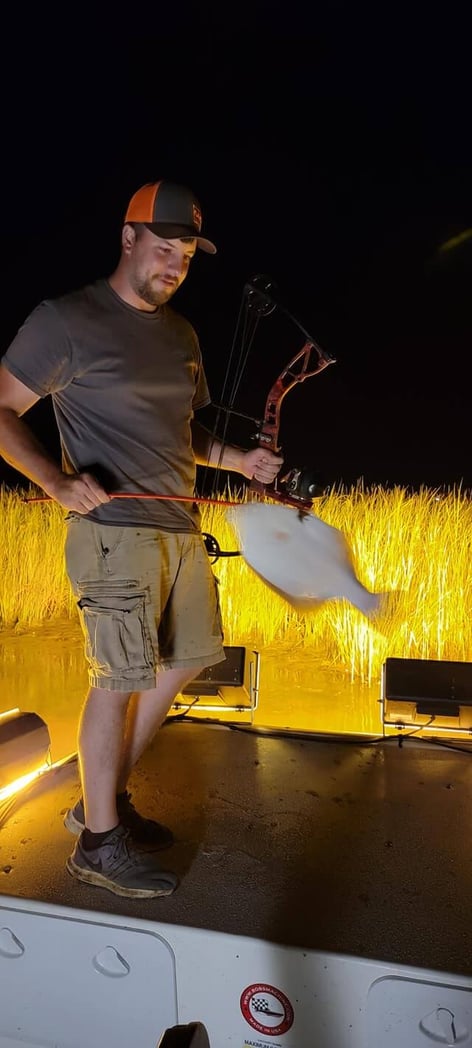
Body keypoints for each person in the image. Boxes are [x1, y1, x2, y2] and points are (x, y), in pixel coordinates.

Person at [0, 179, 283, 899]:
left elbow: (188, 436)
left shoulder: (182, 335)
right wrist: (54, 482)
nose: (174, 264)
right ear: (127, 239)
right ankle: (97, 842)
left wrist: (241, 461)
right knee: (118, 680)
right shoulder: (65, 320)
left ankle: (103, 799)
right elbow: (2, 409)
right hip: (112, 532)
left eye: (186, 253)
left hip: (180, 530)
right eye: (164, 248)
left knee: (184, 662)